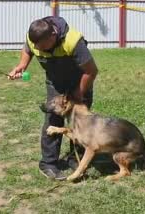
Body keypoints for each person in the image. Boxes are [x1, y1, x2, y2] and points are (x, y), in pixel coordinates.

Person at [8, 16, 98, 180]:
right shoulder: (35, 37)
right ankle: (48, 164)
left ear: (53, 36)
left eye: (41, 45)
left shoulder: (73, 41)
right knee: (53, 120)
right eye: (35, 44)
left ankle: (75, 159)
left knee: (81, 122)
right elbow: (28, 49)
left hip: (80, 82)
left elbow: (91, 71)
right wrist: (22, 65)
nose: (37, 48)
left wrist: (78, 94)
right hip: (55, 84)